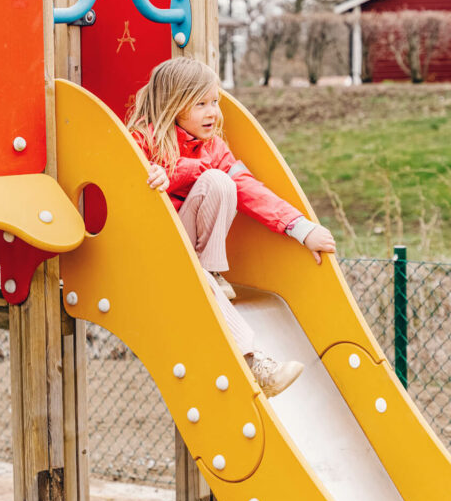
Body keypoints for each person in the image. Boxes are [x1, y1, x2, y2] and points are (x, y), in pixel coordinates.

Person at [128, 57, 336, 398]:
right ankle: (256, 363)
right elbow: (132, 192)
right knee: (210, 176)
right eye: (201, 104)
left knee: (222, 181)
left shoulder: (215, 148)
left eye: (215, 102)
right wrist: (163, 175)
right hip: (158, 247)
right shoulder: (141, 142)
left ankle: (209, 271)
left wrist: (300, 228)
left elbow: (250, 189)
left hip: (191, 254)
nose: (213, 113)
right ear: (173, 104)